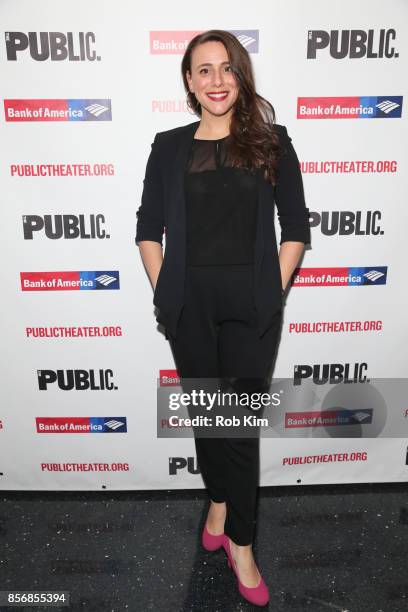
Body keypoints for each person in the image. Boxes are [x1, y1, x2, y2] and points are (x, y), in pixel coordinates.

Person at [135, 29, 311, 607]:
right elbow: (147, 228)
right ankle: (217, 497)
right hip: (188, 306)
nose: (215, 81)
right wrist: (168, 292)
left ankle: (242, 542)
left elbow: (296, 229)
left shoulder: (273, 143)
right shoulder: (168, 146)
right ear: (188, 80)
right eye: (203, 70)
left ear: (240, 76)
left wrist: (271, 289)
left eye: (225, 68)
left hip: (250, 306)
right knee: (208, 419)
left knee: (238, 428)